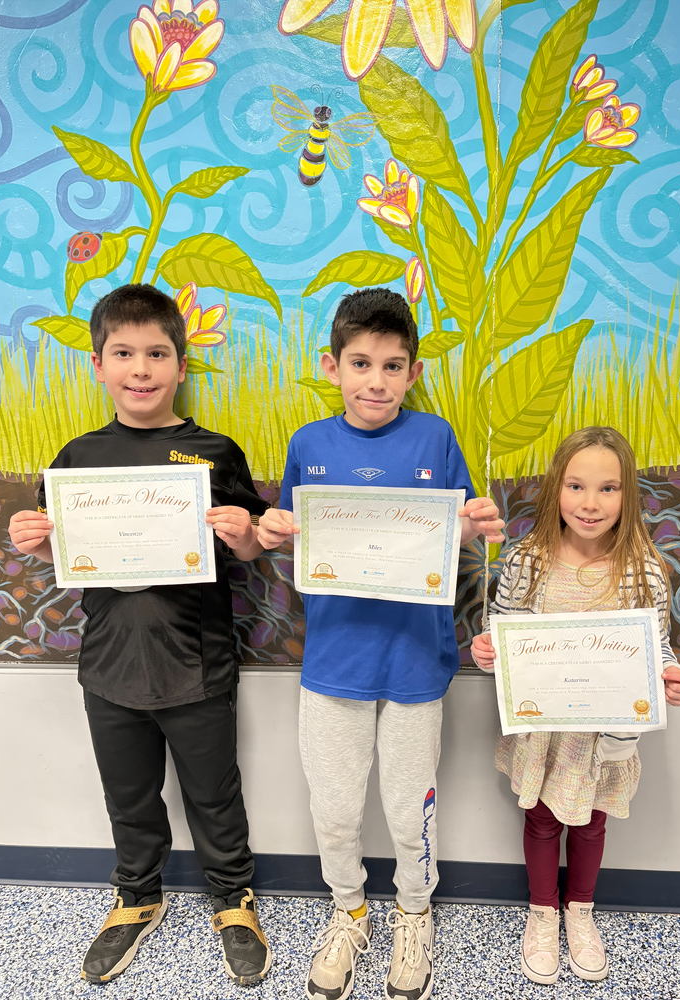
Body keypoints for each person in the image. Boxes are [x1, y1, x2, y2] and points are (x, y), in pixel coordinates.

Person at [8, 284, 273, 987]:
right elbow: (65, 556)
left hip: (198, 663)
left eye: (157, 353)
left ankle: (233, 898)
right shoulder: (77, 458)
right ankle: (137, 896)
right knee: (128, 796)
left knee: (214, 794)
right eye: (124, 353)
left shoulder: (214, 452)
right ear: (99, 365)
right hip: (109, 666)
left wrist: (245, 534)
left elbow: (250, 550)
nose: (141, 369)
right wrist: (35, 539)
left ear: (181, 365)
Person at [257, 288, 505, 1000]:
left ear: (414, 372)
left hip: (415, 663)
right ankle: (349, 911)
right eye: (360, 363)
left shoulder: (436, 438)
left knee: (407, 808)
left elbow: (454, 530)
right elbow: (294, 535)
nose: (376, 380)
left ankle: (414, 913)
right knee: (335, 810)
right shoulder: (309, 444)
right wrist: (273, 529)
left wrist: (475, 523)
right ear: (331, 366)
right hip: (334, 662)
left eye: (393, 366)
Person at [471, 426, 680, 985]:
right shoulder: (526, 561)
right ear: (556, 488)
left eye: (607, 488)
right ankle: (543, 912)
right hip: (543, 731)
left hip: (605, 735)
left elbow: (657, 646)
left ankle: (580, 911)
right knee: (542, 820)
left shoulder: (644, 568)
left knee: (592, 823)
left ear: (627, 494)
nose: (590, 503)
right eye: (576, 486)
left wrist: (673, 675)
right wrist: (487, 653)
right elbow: (504, 634)